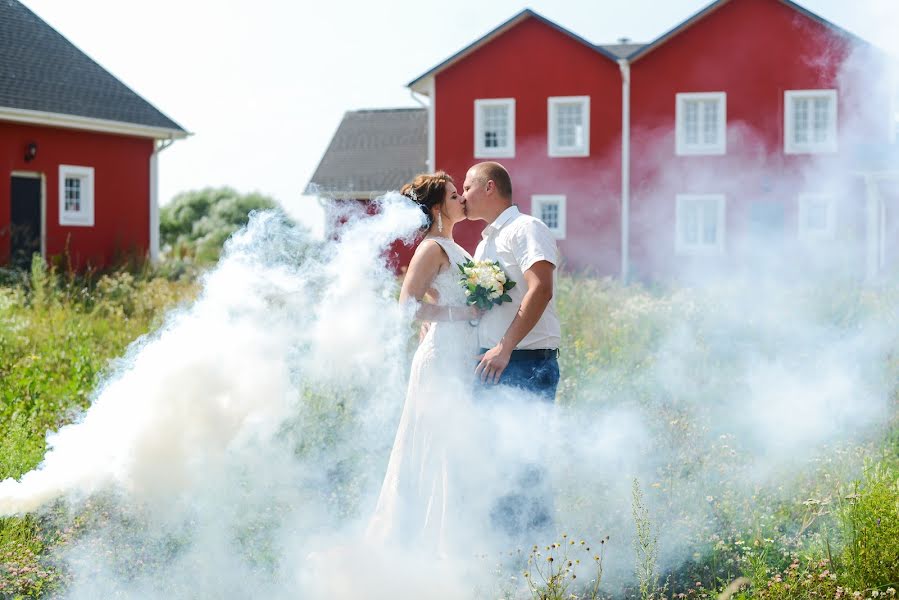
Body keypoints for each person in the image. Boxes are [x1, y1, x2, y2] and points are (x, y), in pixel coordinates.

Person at [365, 171, 480, 555]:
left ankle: (455, 541)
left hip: (461, 353)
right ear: (436, 208)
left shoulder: (454, 247)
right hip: (443, 357)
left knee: (459, 445)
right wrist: (462, 314)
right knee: (439, 445)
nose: (461, 199)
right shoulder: (432, 247)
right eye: (453, 195)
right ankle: (429, 549)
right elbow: (408, 306)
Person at [460, 161, 562, 541]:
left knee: (525, 464)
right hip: (492, 364)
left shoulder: (526, 228)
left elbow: (541, 289)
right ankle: (504, 554)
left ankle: (538, 562)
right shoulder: (485, 241)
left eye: (467, 187)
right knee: (495, 464)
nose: (462, 196)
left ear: (489, 187)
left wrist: (505, 346)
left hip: (526, 363)